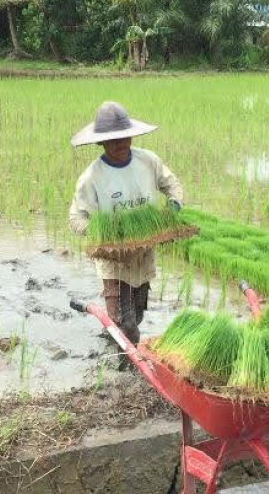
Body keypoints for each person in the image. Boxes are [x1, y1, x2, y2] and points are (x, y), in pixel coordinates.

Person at [69, 101, 183, 365]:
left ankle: (119, 343)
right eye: (113, 141)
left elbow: (171, 184)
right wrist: (102, 232)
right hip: (114, 265)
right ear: (101, 143)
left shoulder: (148, 161)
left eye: (124, 138)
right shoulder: (92, 177)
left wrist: (174, 205)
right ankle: (127, 369)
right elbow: (76, 218)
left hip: (143, 257)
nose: (121, 145)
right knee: (127, 324)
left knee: (138, 313)